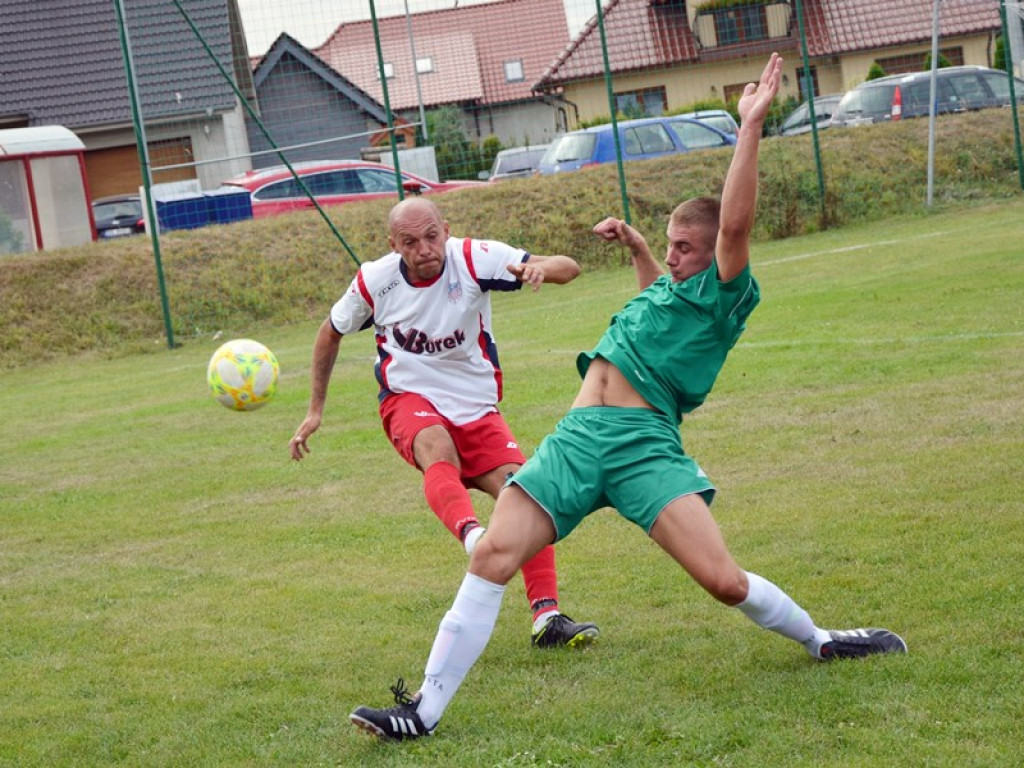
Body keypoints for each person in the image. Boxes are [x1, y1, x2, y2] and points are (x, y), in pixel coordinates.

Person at [348, 53, 907, 742]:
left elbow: (732, 228)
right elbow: (654, 291)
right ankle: (422, 713)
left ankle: (821, 638)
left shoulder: (726, 295)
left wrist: (750, 128)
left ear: (712, 258)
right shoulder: (668, 290)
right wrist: (642, 244)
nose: (673, 257)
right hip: (580, 440)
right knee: (493, 555)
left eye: (683, 248)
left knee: (724, 582)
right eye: (668, 245)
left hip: (645, 449)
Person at [289, 196, 600, 650]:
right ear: (393, 244)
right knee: (436, 444)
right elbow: (330, 331)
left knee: (529, 496)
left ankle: (547, 619)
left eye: (432, 236)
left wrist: (541, 269)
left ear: (446, 230)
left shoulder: (475, 258)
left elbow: (568, 266)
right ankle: (475, 538)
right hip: (408, 398)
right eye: (410, 241)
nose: (424, 249)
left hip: (476, 408)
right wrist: (315, 410)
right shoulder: (376, 281)